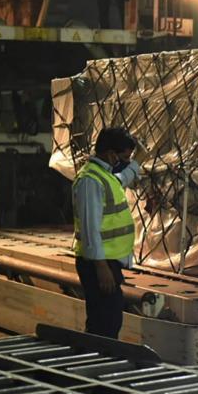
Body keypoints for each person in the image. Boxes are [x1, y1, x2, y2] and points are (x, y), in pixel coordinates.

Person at [72, 127, 146, 338]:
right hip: (98, 264)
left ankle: (99, 357)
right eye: (124, 156)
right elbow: (90, 228)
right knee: (104, 321)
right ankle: (97, 360)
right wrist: (101, 267)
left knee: (108, 318)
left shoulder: (105, 176)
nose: (125, 160)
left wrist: (138, 159)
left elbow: (123, 177)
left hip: (108, 261)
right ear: (111, 154)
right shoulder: (90, 181)